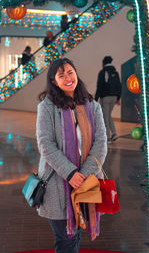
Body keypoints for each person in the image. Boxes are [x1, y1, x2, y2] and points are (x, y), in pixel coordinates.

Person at [36, 58, 107, 253]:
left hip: (87, 182)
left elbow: (101, 142)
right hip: (58, 185)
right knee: (66, 239)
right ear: (54, 81)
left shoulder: (93, 106)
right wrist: (70, 174)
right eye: (61, 75)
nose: (67, 78)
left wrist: (83, 175)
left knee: (76, 236)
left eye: (70, 72)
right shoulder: (47, 107)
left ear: (76, 73)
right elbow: (45, 144)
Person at [95, 56, 122, 144]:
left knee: (105, 117)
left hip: (105, 98)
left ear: (103, 63)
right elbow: (119, 85)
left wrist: (96, 98)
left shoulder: (102, 72)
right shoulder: (115, 72)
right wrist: (118, 98)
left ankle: (107, 137)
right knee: (108, 115)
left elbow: (99, 86)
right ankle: (114, 133)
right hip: (114, 97)